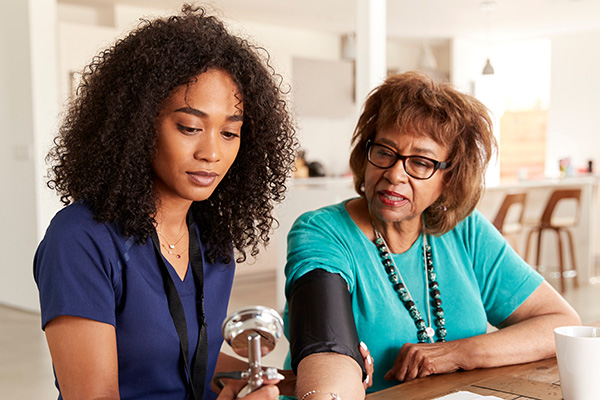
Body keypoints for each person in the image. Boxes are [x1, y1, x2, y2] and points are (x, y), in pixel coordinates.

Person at [33, 5, 297, 400]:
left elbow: (189, 358)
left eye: (230, 133)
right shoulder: (81, 239)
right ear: (136, 124)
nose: (211, 152)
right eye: (189, 127)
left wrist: (293, 377)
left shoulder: (212, 241)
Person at [283, 71, 581, 399]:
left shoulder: (466, 231)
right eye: (384, 152)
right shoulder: (322, 232)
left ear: (449, 178)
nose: (395, 174)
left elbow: (559, 323)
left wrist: (455, 353)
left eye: (421, 162)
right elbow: (327, 354)